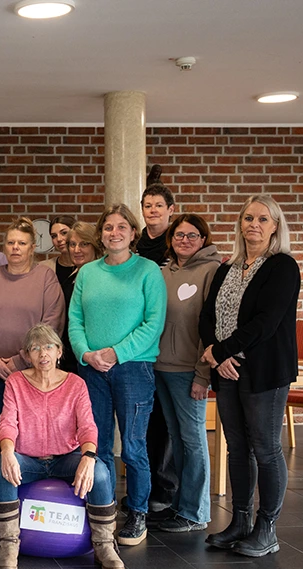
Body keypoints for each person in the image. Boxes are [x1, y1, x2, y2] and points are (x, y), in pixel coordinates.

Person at [200, 195, 300, 558]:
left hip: (264, 372)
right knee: (238, 448)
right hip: (227, 371)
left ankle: (267, 529)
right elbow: (207, 315)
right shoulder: (228, 267)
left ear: (275, 225)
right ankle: (240, 522)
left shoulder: (282, 267)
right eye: (247, 218)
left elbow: (266, 322)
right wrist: (216, 352)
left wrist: (222, 351)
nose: (253, 224)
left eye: (262, 219)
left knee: (266, 448)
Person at [68, 204, 167, 546]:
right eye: (108, 227)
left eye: (121, 226)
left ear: (133, 233)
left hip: (133, 368)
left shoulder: (148, 271)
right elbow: (75, 320)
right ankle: (104, 509)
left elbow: (153, 323)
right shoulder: (88, 273)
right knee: (97, 445)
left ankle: (138, 513)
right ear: (101, 234)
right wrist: (86, 353)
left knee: (134, 446)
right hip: (91, 369)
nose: (114, 232)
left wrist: (116, 353)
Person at [0, 324, 123, 569]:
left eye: (49, 347)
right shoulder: (15, 382)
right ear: (27, 355)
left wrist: (88, 456)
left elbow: (87, 426)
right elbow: (8, 422)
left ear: (59, 351)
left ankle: (104, 544)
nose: (43, 354)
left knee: (101, 472)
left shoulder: (75, 384)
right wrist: (7, 451)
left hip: (66, 458)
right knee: (1, 470)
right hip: (28, 461)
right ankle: (9, 543)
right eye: (35, 348)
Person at [0, 218, 65, 509]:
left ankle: (25, 497)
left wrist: (15, 361)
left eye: (22, 243)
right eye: (11, 242)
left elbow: (52, 324)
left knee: (25, 435)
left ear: (32, 247)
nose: (15, 248)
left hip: (31, 374)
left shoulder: (45, 279)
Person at [153, 214, 220, 533]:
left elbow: (211, 328)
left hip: (189, 371)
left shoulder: (212, 271)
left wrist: (202, 375)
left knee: (193, 441)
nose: (185, 241)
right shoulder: (163, 272)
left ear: (204, 239)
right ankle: (180, 504)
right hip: (161, 368)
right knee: (176, 440)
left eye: (192, 236)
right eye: (179, 235)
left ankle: (196, 512)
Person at [136, 182, 178, 517]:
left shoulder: (175, 243)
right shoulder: (136, 246)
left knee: (165, 423)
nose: (152, 211)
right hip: (140, 346)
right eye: (147, 205)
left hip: (169, 344)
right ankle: (145, 489)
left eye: (158, 206)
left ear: (170, 210)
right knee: (146, 423)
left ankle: (166, 489)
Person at [58, 221, 103, 372]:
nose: (76, 250)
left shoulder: (100, 277)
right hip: (68, 351)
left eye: (84, 244)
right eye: (72, 244)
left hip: (89, 355)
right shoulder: (71, 276)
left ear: (95, 246)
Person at [41, 215, 77, 286]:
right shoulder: (44, 267)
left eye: (64, 233)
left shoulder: (87, 267)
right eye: (54, 236)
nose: (59, 239)